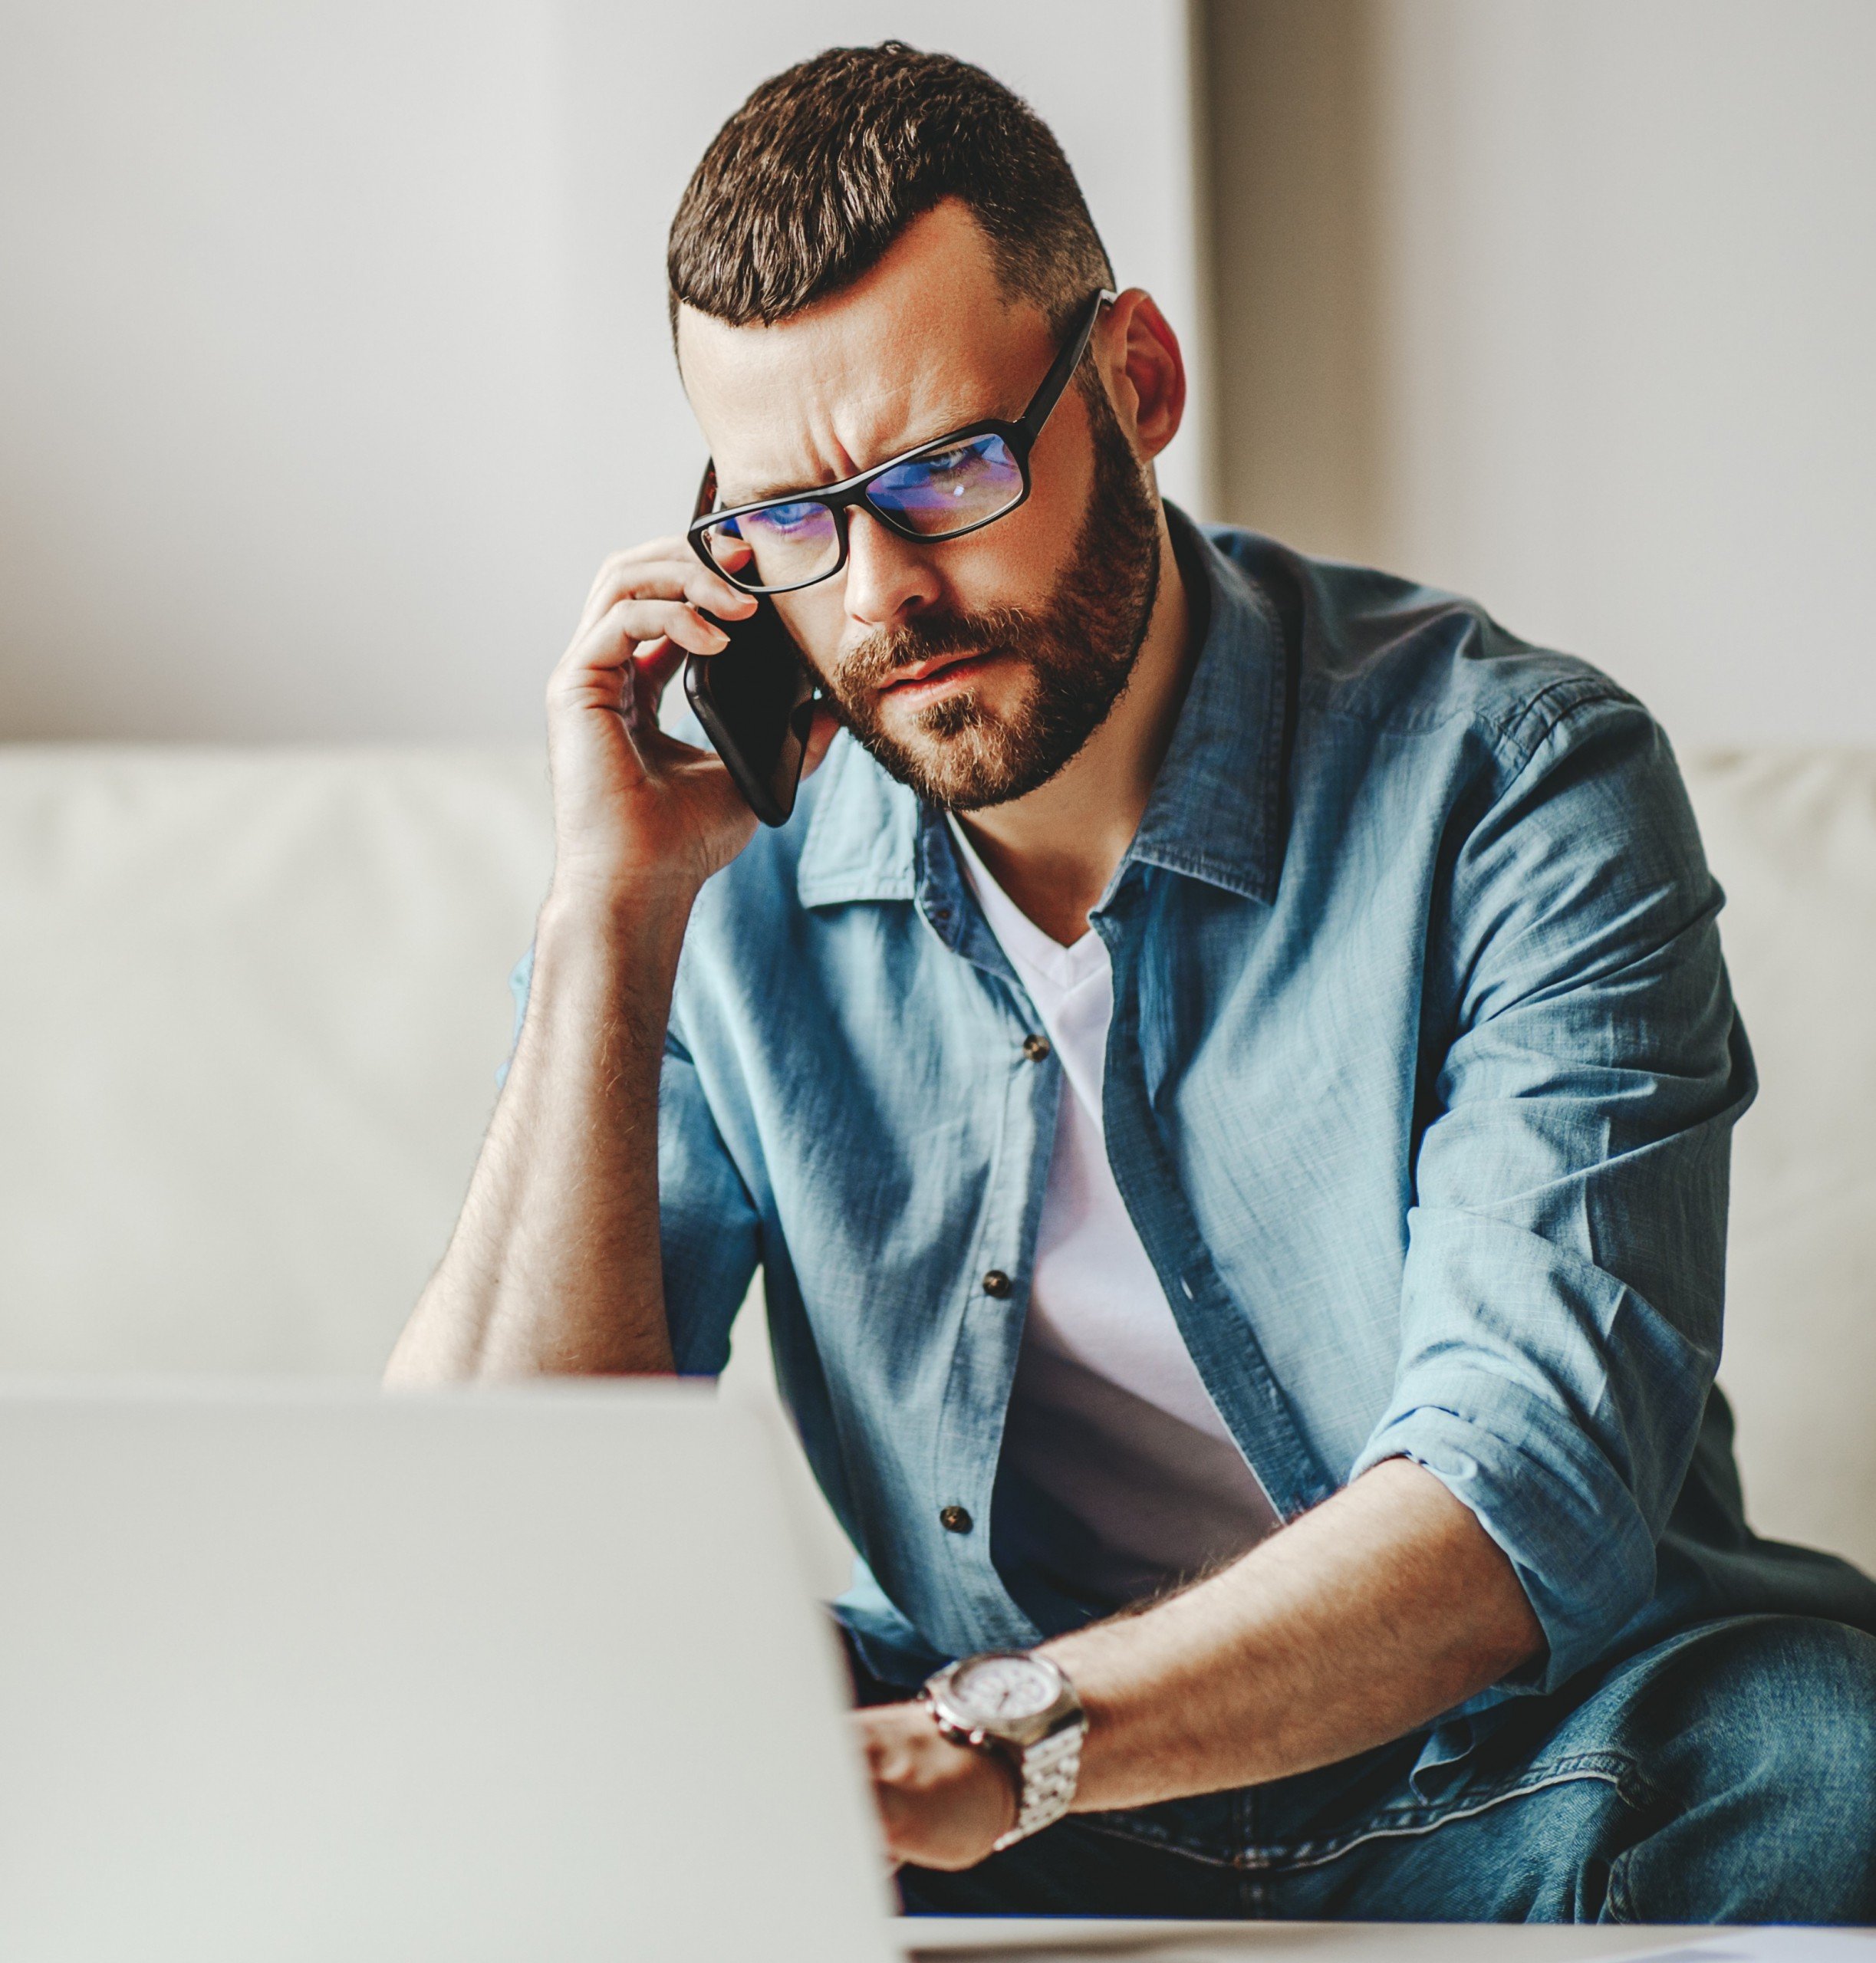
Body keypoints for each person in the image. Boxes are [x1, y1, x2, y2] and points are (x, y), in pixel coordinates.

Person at [387, 41, 1876, 1922]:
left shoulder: (1518, 782)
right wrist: (613, 917)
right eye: (784, 522)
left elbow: (1522, 1490)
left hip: (1516, 1754)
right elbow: (476, 1540)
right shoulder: (724, 881)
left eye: (941, 475)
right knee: (539, 1755)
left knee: (1829, 1754)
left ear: (1136, 382)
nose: (871, 604)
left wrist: (1007, 1741)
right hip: (966, 1769)